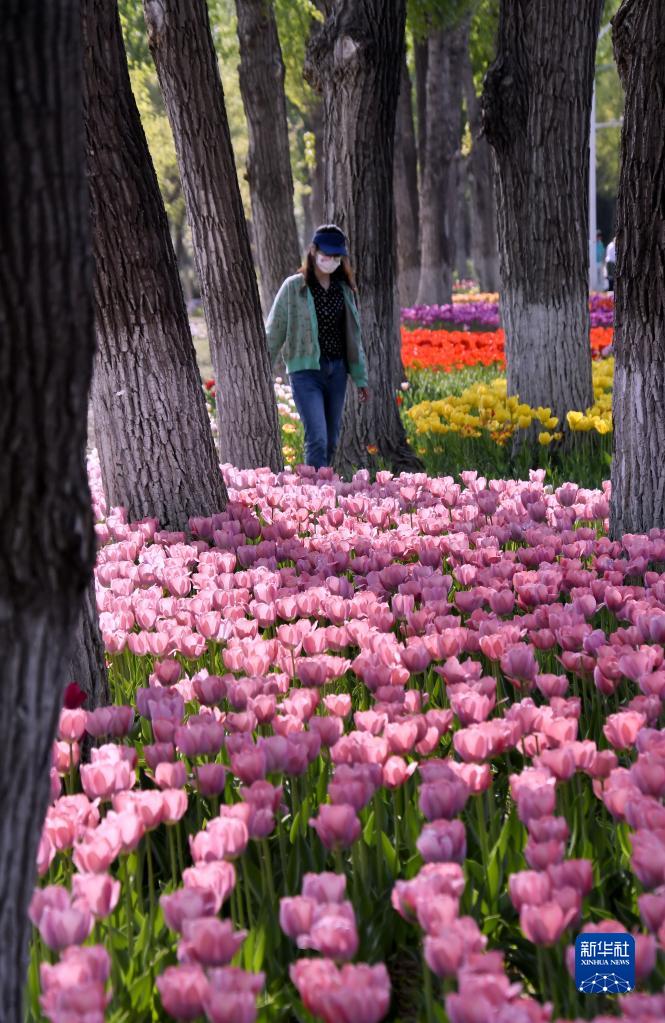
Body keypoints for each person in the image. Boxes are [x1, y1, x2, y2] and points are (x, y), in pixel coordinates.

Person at [265, 224, 369, 469]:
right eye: (327, 254)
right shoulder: (294, 287)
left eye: (336, 256)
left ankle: (321, 491)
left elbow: (354, 337)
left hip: (337, 372)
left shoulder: (344, 290)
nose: (331, 260)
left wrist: (360, 377)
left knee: (332, 440)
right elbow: (274, 330)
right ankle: (313, 497)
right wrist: (262, 371)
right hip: (305, 374)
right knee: (318, 438)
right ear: (313, 251)